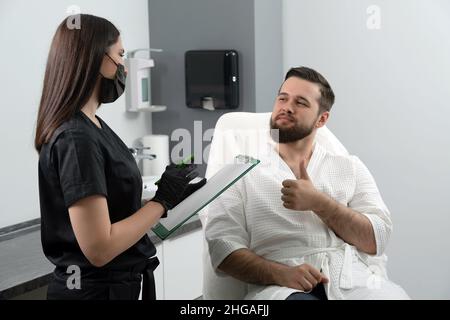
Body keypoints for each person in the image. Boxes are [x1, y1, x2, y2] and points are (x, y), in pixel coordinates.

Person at [35, 14, 205, 300]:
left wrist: (172, 196)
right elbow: (100, 249)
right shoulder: (76, 138)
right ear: (95, 58)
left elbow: (113, 210)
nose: (124, 67)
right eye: (121, 55)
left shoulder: (93, 125)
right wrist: (162, 201)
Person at [205, 67, 409, 300]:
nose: (287, 107)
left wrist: (320, 203)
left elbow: (377, 238)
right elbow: (222, 249)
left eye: (300, 102)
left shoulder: (349, 167)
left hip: (351, 281)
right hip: (282, 288)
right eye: (283, 98)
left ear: (322, 119)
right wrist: (281, 274)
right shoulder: (239, 172)